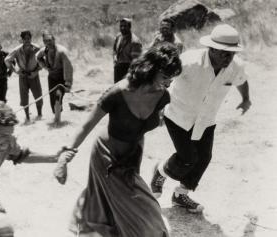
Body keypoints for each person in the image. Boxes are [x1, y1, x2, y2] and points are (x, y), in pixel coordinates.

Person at [53, 43, 182, 237]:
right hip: (107, 156)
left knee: (120, 205)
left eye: (172, 78)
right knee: (147, 211)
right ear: (151, 70)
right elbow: (86, 125)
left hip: (132, 155)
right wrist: (65, 157)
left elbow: (150, 122)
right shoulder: (118, 92)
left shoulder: (163, 97)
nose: (169, 83)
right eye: (165, 77)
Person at [150, 24, 252, 213]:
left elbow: (242, 80)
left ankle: (181, 194)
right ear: (211, 49)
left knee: (204, 157)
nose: (228, 58)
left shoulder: (235, 66)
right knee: (188, 157)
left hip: (206, 120)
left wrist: (246, 99)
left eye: (232, 53)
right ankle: (161, 172)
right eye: (224, 53)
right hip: (178, 115)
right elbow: (163, 79)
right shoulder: (188, 61)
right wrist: (158, 106)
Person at [0, 101, 58, 236]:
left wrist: (54, 157)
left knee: (2, 230)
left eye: (10, 135)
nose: (9, 141)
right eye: (3, 136)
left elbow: (21, 155)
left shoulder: (5, 142)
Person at [5, 30, 43, 123]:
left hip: (34, 75)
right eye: (25, 39)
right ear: (22, 39)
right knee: (24, 97)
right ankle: (27, 117)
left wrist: (37, 70)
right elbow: (7, 60)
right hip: (23, 76)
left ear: (31, 38)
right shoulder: (17, 50)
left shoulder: (37, 48)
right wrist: (16, 71)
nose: (27, 40)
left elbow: (42, 60)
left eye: (29, 38)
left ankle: (39, 114)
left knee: (38, 95)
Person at [36, 31, 73, 124]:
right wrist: (45, 66)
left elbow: (68, 67)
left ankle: (57, 120)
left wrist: (68, 83)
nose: (48, 43)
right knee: (53, 99)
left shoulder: (62, 51)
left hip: (61, 77)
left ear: (54, 40)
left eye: (49, 40)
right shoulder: (44, 50)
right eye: (45, 41)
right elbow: (37, 57)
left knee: (58, 96)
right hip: (52, 77)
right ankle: (56, 115)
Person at [113, 18, 142, 83]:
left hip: (128, 69)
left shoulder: (135, 41)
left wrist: (130, 74)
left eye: (125, 26)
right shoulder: (119, 36)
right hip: (118, 67)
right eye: (121, 26)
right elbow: (114, 50)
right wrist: (115, 58)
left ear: (129, 27)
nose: (122, 28)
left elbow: (136, 61)